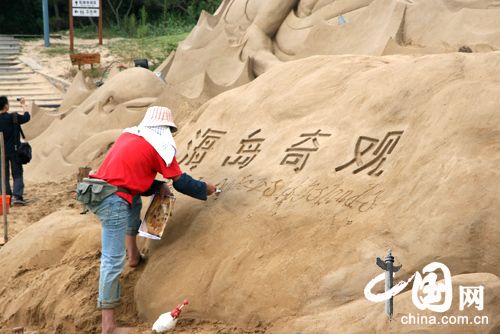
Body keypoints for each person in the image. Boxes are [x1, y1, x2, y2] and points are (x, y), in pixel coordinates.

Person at [85, 106, 217, 334]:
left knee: (134, 201)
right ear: (165, 129)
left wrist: (158, 185)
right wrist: (206, 188)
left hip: (101, 190)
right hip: (113, 199)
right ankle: (109, 327)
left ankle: (134, 256)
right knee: (112, 259)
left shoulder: (131, 136)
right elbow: (181, 182)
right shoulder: (158, 144)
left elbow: (131, 178)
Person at [0, 96, 31, 205]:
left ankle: (6, 198)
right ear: (6, 106)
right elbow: (27, 117)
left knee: (3, 176)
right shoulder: (14, 117)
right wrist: (23, 105)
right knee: (17, 174)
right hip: (15, 151)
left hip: (1, 153)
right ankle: (17, 197)